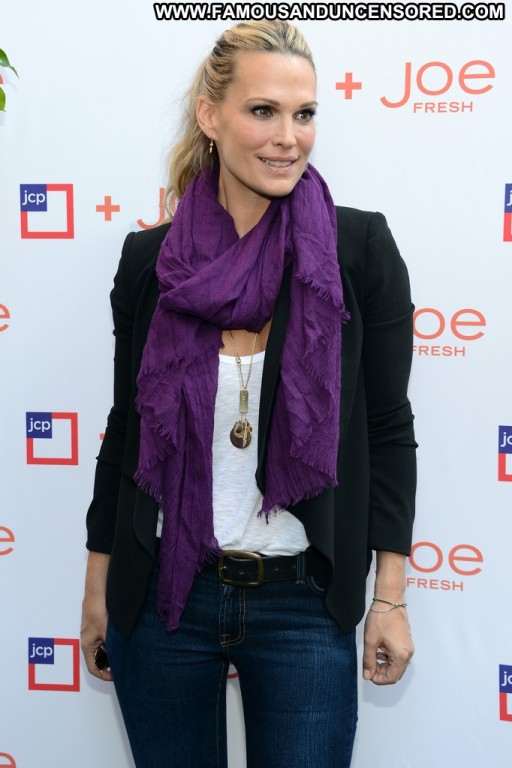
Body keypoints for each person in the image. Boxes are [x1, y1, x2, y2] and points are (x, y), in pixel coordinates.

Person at [80, 18, 416, 768]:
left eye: (304, 114)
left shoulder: (358, 252)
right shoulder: (151, 261)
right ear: (211, 115)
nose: (288, 138)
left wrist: (389, 596)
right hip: (164, 599)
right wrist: (98, 586)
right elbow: (125, 432)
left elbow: (389, 431)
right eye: (263, 111)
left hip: (303, 602)